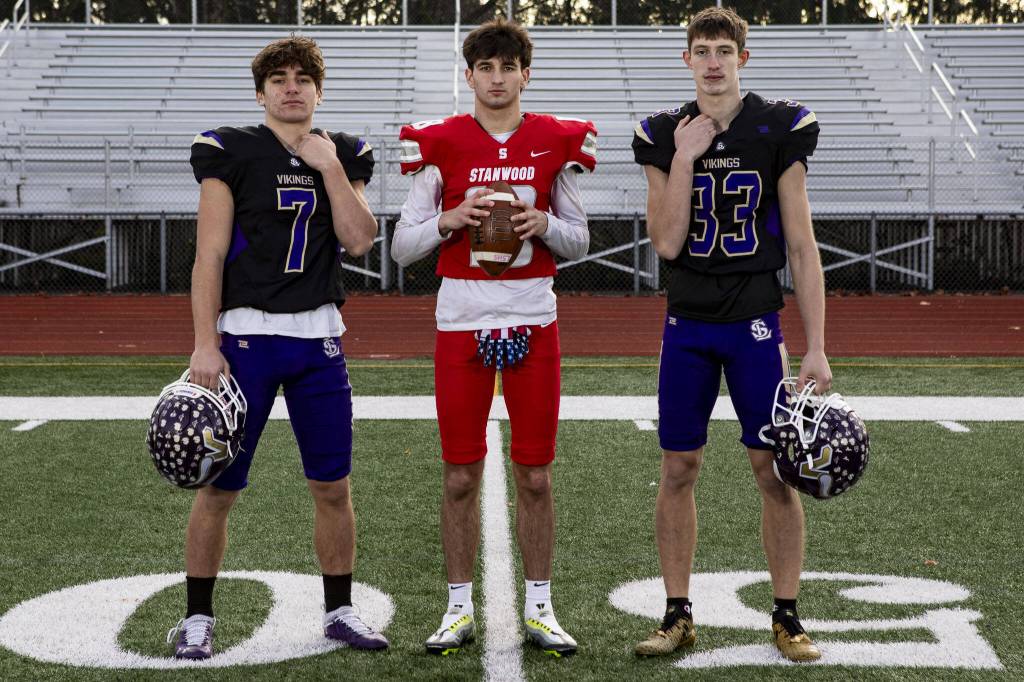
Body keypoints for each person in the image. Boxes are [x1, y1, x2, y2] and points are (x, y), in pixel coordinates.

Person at [168, 35, 388, 659]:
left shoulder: (344, 152)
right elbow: (209, 254)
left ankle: (340, 610)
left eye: (303, 78)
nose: (292, 87)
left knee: (333, 487)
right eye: (279, 78)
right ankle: (197, 619)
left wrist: (330, 168)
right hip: (244, 342)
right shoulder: (230, 150)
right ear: (261, 91)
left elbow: (360, 240)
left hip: (318, 339)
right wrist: (203, 344)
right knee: (220, 489)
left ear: (319, 90)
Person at [631, 7, 831, 662]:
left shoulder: (777, 128)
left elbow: (801, 245)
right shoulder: (664, 133)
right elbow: (666, 240)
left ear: (742, 58)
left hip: (753, 324)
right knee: (679, 466)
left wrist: (817, 344)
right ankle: (678, 612)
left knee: (773, 471)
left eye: (723, 49)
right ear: (686, 60)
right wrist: (686, 159)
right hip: (686, 325)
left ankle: (787, 613)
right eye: (701, 50)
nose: (713, 61)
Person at [391, 18, 597, 657]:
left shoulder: (554, 141)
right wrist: (448, 220)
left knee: (534, 475)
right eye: (486, 67)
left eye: (509, 67)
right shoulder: (441, 143)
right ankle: (457, 608)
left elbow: (581, 241)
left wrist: (545, 225)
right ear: (470, 75)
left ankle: (539, 606)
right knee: (459, 473)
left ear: (525, 75)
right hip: (462, 320)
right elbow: (401, 249)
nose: (498, 77)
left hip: (533, 316)